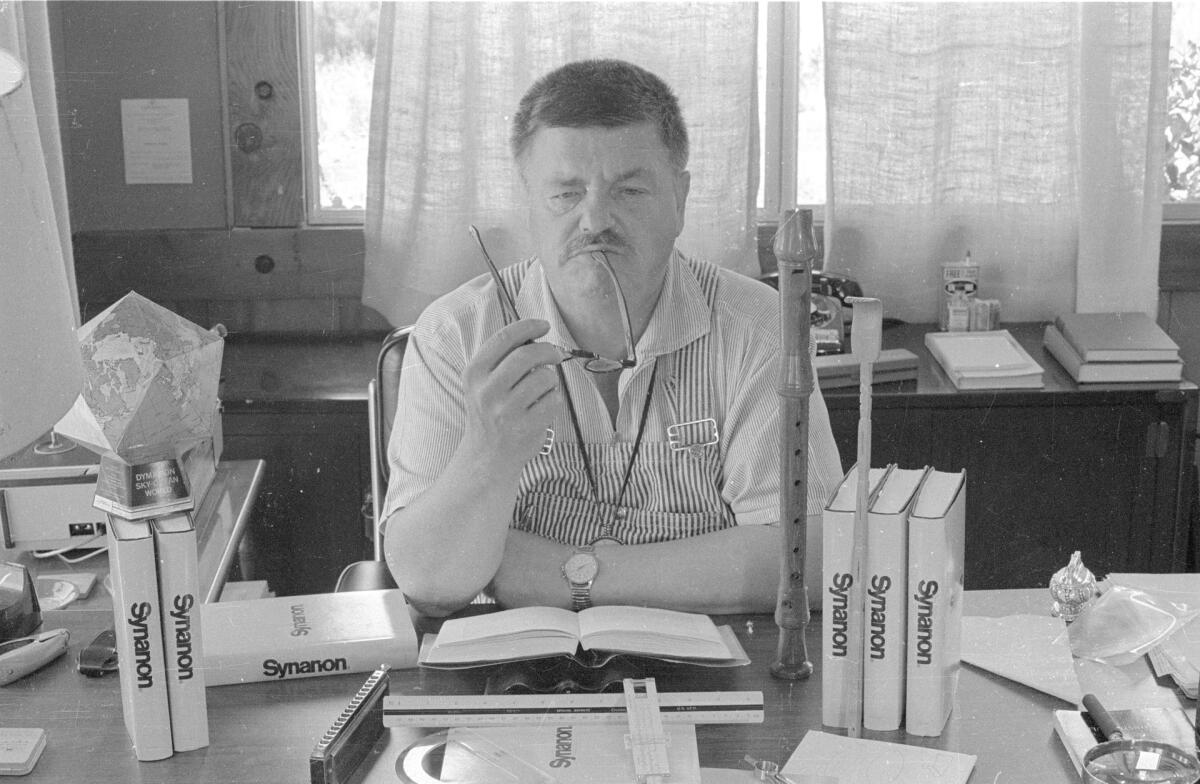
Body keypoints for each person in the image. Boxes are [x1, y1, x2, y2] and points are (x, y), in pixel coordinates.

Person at [381, 59, 843, 618]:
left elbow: (811, 558)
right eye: (565, 194)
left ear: (680, 197)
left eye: (629, 190)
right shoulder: (454, 334)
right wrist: (488, 451)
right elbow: (429, 584)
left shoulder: (759, 327)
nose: (595, 220)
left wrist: (566, 577)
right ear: (528, 200)